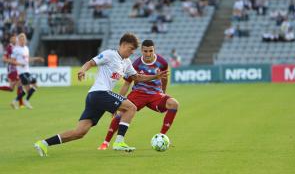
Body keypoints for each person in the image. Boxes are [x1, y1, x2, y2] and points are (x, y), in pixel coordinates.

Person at [34, 33, 168, 157]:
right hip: (99, 93)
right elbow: (91, 62)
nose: (132, 52)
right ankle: (119, 142)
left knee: (80, 132)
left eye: (134, 50)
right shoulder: (110, 54)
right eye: (130, 49)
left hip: (97, 97)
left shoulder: (126, 63)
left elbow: (137, 77)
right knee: (131, 107)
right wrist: (82, 70)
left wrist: (156, 76)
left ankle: (43, 144)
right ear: (122, 45)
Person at [98, 39, 179, 150]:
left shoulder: (162, 62)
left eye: (151, 51)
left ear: (154, 50)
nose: (148, 54)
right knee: (121, 113)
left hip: (155, 94)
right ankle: (105, 142)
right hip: (138, 94)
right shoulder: (135, 64)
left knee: (174, 104)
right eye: (145, 51)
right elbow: (127, 84)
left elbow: (164, 78)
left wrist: (163, 93)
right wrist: (117, 103)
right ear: (141, 50)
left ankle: (161, 136)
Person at [10, 33, 44, 109]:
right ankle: (25, 101)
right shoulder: (16, 49)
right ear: (18, 41)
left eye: (24, 39)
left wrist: (37, 58)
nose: (23, 41)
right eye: (21, 39)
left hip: (27, 71)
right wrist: (20, 64)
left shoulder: (26, 48)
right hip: (21, 72)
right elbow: (12, 61)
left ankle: (15, 101)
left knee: (35, 86)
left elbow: (27, 59)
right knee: (28, 88)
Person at [0, 35, 24, 107]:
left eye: (15, 39)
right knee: (20, 84)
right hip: (12, 69)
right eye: (13, 39)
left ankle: (20, 103)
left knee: (11, 89)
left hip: (16, 68)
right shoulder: (9, 48)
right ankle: (20, 103)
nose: (15, 40)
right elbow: (4, 58)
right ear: (10, 40)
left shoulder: (16, 47)